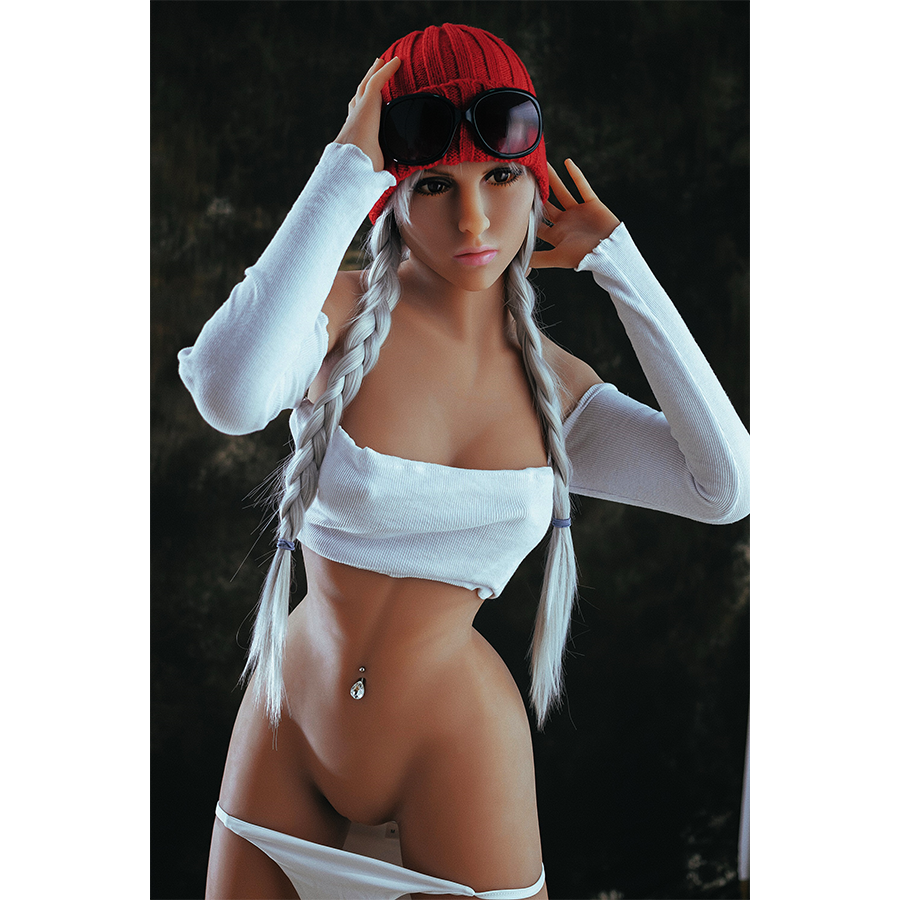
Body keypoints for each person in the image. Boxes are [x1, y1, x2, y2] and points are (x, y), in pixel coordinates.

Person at [178, 23, 750, 900]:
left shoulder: (556, 390)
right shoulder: (336, 317)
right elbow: (227, 391)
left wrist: (619, 263)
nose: (475, 220)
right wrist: (345, 166)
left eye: (502, 178)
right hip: (287, 731)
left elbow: (726, 488)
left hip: (457, 754)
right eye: (436, 184)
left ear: (536, 179)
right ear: (392, 190)